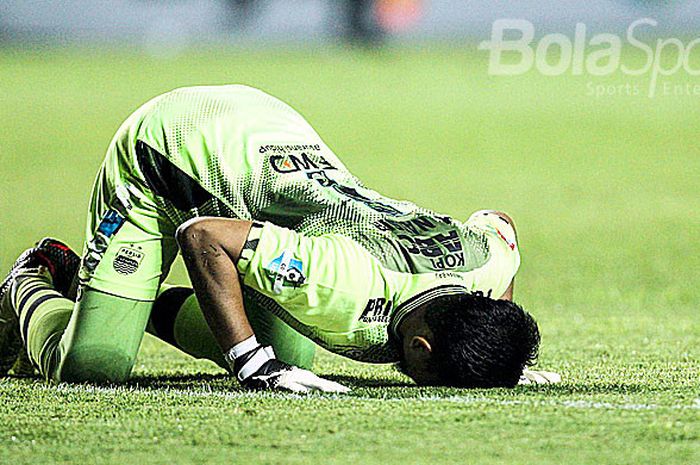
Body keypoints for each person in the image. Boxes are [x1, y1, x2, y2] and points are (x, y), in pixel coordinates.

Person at [0, 85, 555, 392]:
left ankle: (109, 294)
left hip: (269, 130)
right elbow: (203, 237)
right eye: (439, 379)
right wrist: (249, 364)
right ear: (421, 348)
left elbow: (499, 225)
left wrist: (494, 348)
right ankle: (35, 278)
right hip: (171, 148)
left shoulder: (484, 263)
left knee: (292, 348)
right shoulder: (341, 284)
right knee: (93, 368)